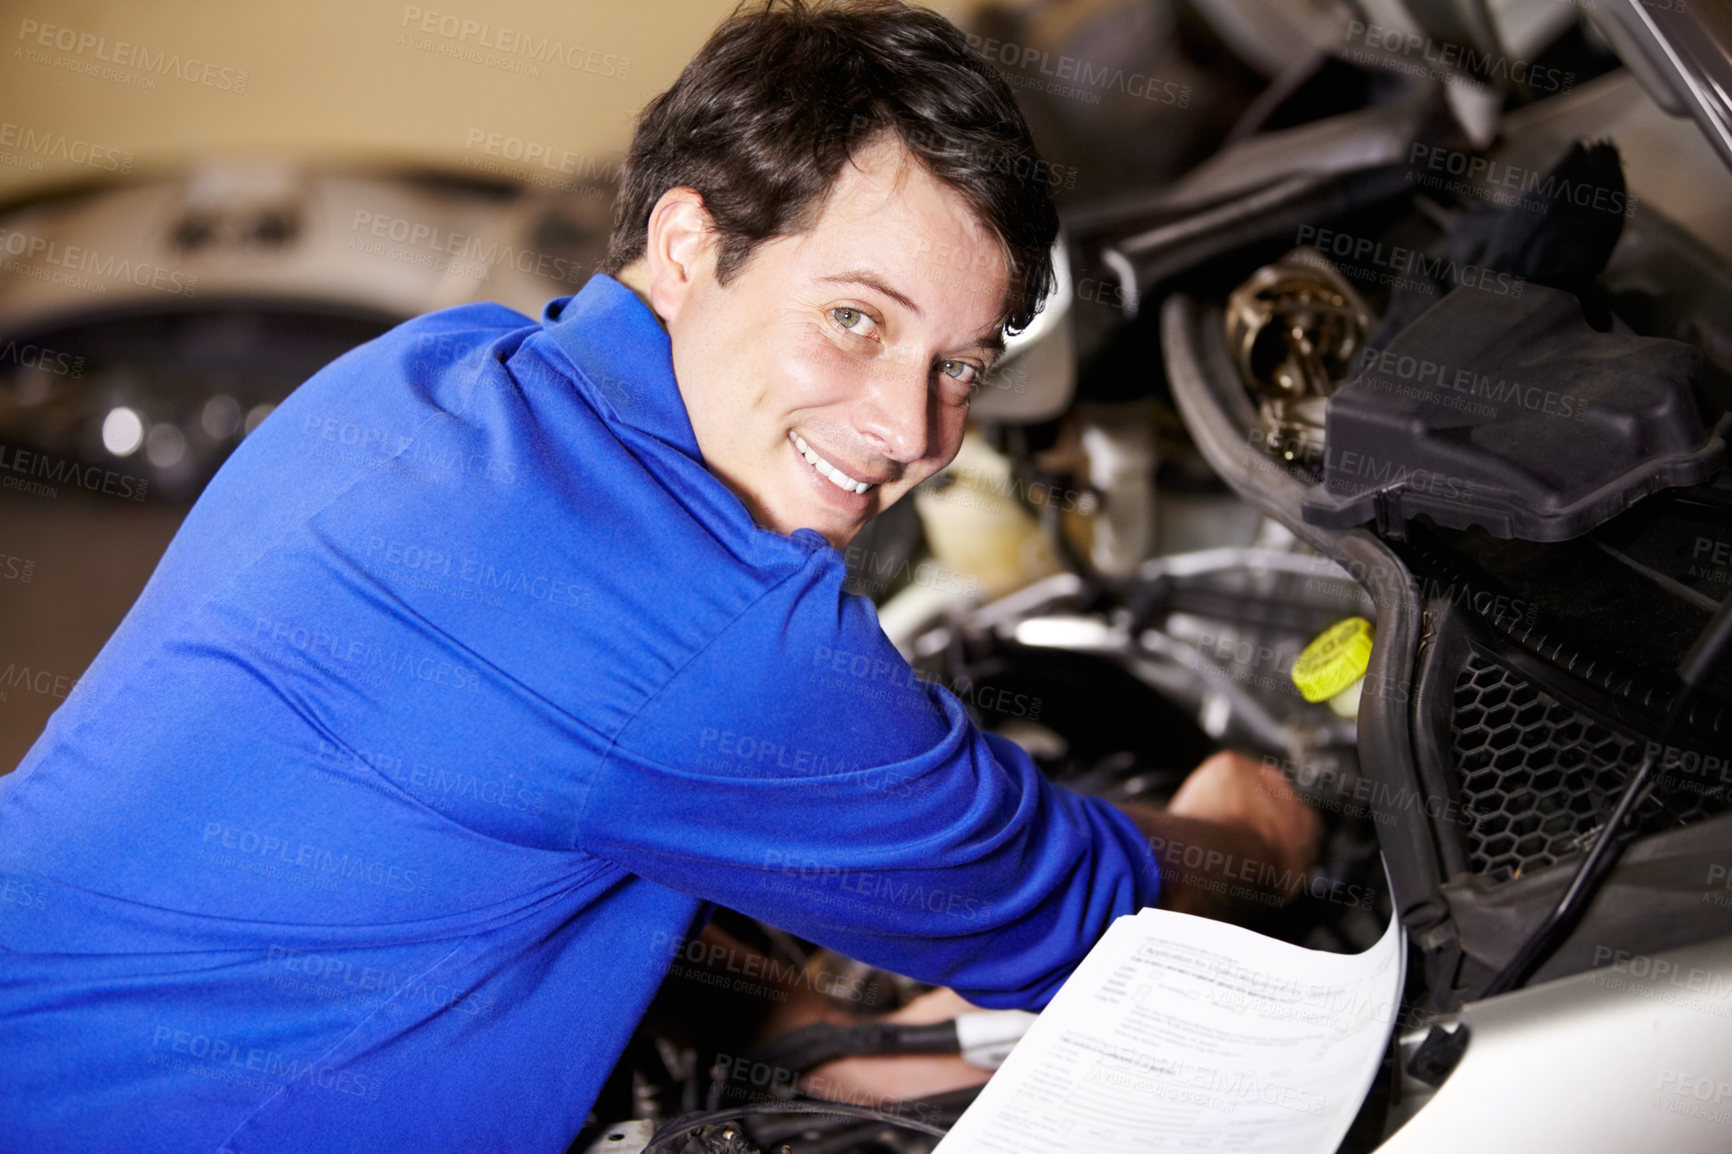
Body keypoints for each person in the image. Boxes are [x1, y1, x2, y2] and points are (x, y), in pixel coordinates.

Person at [0, 2, 1318, 1151]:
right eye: (855, 318)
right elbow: (1071, 908)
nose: (915, 431)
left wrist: (804, 1029)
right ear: (690, 245)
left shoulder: (442, 368)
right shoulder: (720, 628)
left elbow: (543, 821)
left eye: (960, 366)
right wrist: (1255, 823)